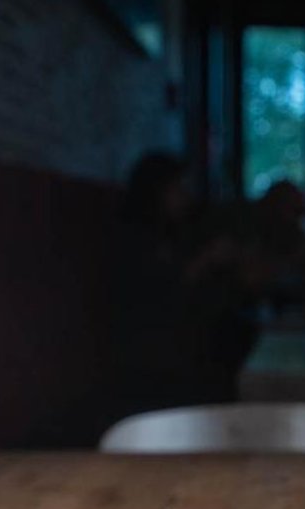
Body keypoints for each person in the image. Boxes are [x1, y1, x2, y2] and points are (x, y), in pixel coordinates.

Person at [110, 153, 260, 418]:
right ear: (156, 192)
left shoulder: (176, 232)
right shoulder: (133, 238)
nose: (185, 196)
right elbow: (154, 298)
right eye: (178, 188)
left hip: (183, 346)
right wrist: (207, 260)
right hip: (150, 356)